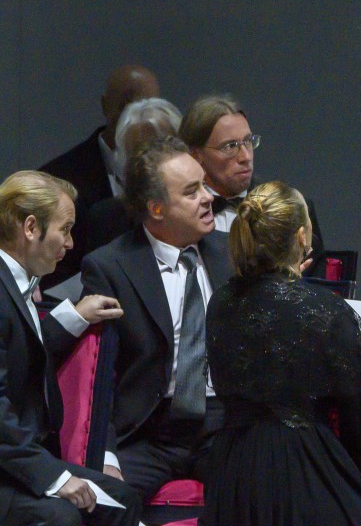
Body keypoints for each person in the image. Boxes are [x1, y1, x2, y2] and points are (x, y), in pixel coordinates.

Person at [202, 181, 361, 525]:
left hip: (233, 479)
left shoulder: (221, 302)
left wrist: (286, 285)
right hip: (300, 472)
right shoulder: (325, 312)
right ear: (302, 237)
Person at [79, 136, 232, 501]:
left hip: (222, 424)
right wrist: (106, 453)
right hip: (148, 430)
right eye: (192, 192)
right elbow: (96, 373)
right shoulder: (109, 267)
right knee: (102, 501)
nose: (209, 198)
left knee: (263, 492)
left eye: (205, 185)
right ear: (157, 209)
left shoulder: (234, 252)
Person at [0, 170, 141, 526]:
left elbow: (22, 347)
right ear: (31, 228)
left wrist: (76, 316)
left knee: (122, 500)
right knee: (63, 516)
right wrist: (55, 477)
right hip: (6, 465)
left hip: (19, 458)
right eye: (65, 229)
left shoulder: (18, 282)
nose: (71, 243)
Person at [39, 64, 160, 287]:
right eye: (128, 103)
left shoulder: (176, 177)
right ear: (105, 105)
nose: (138, 115)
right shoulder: (56, 178)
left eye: (149, 106)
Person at [177, 94, 325, 269]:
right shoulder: (178, 214)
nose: (245, 157)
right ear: (196, 155)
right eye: (230, 146)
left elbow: (316, 284)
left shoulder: (292, 211)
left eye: (248, 141)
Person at [86, 97, 183, 253]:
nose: (152, 161)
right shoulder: (106, 219)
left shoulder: (207, 202)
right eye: (140, 152)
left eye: (161, 148)